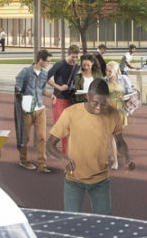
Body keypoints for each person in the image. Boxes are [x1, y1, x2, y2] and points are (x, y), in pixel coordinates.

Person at [47, 79, 134, 214]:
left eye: (103, 104)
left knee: (104, 224)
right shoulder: (71, 113)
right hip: (73, 180)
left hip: (100, 181)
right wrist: (62, 159)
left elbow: (120, 142)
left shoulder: (113, 114)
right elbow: (50, 145)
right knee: (71, 224)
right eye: (95, 103)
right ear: (87, 96)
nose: (99, 107)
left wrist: (128, 158)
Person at [13, 50, 52, 172]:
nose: (48, 64)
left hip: (40, 108)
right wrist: (22, 101)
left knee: (42, 137)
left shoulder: (45, 74)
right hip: (27, 109)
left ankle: (42, 165)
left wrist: (51, 95)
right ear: (40, 60)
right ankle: (23, 160)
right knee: (25, 137)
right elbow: (17, 89)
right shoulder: (25, 72)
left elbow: (41, 90)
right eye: (47, 61)